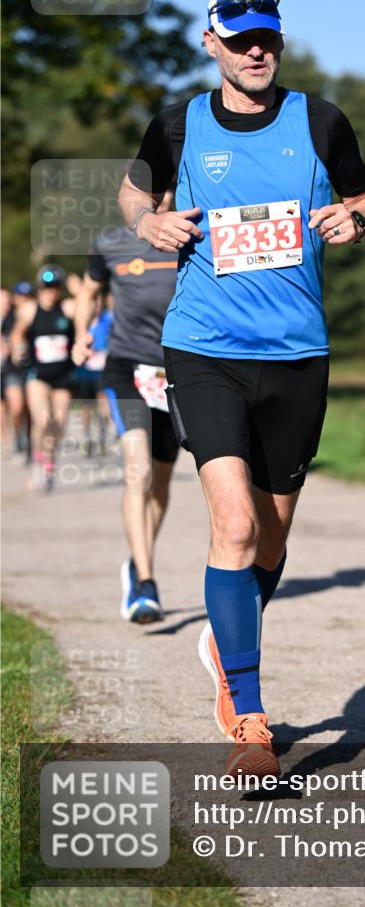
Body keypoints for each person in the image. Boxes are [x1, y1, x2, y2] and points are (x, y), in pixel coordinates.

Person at [117, 0, 365, 775]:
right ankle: (251, 721)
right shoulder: (177, 124)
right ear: (212, 45)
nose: (255, 50)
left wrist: (356, 219)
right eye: (240, 39)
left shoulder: (320, 120)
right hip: (205, 348)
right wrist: (150, 220)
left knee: (269, 537)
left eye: (266, 36)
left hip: (297, 355)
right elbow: (132, 193)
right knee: (231, 526)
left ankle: (223, 637)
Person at [72, 195, 180, 624]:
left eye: (161, 189)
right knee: (138, 471)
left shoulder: (190, 237)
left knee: (160, 483)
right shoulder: (111, 243)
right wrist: (83, 332)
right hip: (127, 370)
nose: (153, 198)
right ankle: (146, 585)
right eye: (143, 189)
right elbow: (89, 290)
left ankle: (137, 560)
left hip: (178, 374)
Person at [11, 265, 75, 492]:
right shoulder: (29, 310)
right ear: (40, 288)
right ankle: (38, 460)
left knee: (59, 424)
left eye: (55, 287)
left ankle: (49, 463)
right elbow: (17, 332)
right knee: (43, 420)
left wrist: (79, 291)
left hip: (63, 376)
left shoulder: (67, 308)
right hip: (38, 376)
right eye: (47, 287)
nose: (51, 292)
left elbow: (90, 310)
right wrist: (18, 346)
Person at [75, 293, 112, 456]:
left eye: (98, 301)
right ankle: (87, 437)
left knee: (103, 403)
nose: (95, 305)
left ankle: (103, 437)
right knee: (87, 407)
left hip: (102, 369)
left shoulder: (108, 319)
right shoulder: (81, 322)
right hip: (85, 371)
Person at [1, 281, 34, 461]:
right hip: (12, 369)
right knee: (16, 407)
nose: (24, 300)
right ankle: (17, 438)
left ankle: (28, 443)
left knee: (30, 410)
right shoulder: (10, 318)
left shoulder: (36, 314)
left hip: (31, 369)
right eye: (20, 296)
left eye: (27, 296)